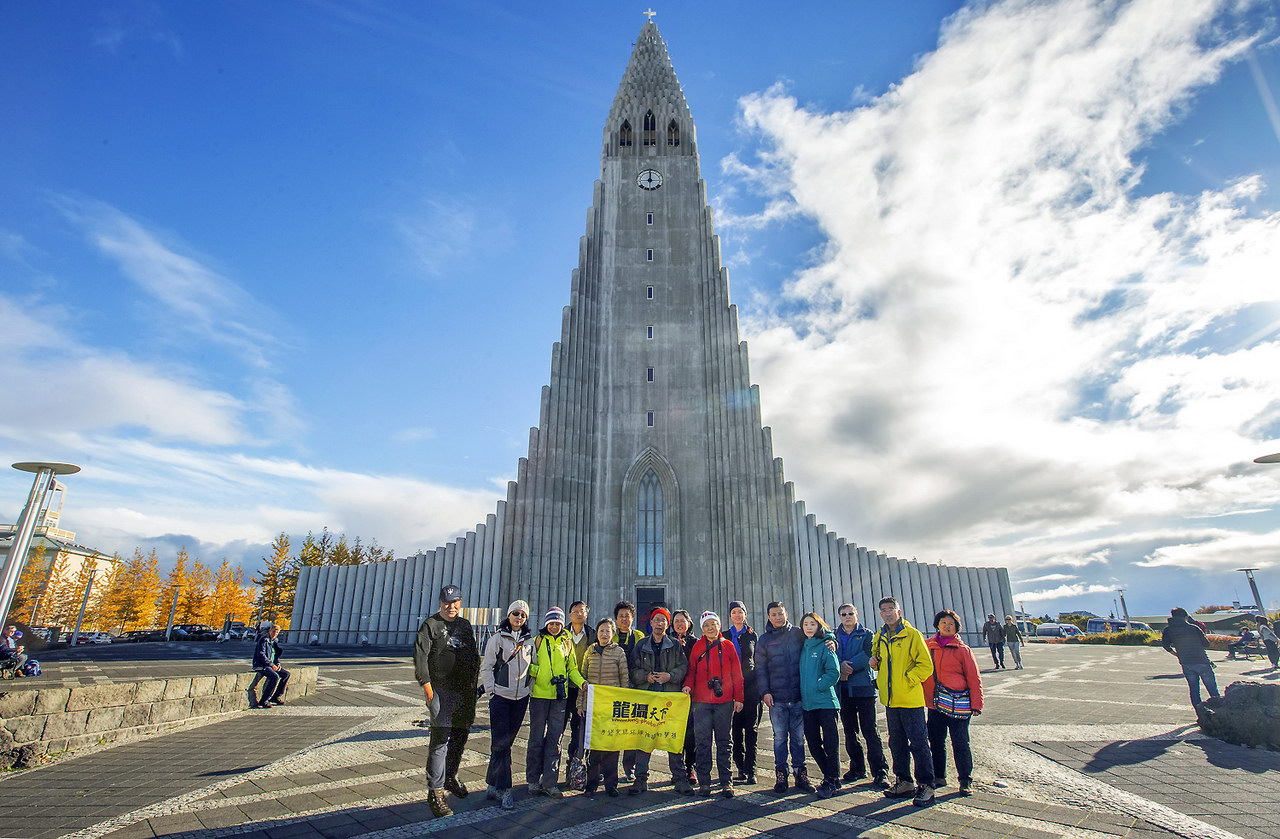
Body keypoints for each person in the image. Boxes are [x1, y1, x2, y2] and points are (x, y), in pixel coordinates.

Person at [414, 584, 481, 818]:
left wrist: (474, 687)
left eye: (455, 602)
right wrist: (427, 688)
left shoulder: (464, 626)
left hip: (464, 693)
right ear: (440, 602)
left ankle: (450, 776)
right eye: (447, 602)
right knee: (440, 741)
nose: (451, 606)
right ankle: (436, 792)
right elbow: (420, 657)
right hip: (441, 691)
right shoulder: (430, 625)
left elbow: (473, 656)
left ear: (460, 603)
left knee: (460, 736)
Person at [870, 596, 936, 807]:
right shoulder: (879, 636)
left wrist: (908, 680)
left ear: (899, 611)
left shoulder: (912, 635)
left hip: (910, 699)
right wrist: (874, 663)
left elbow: (926, 666)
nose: (888, 612)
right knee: (896, 742)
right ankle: (904, 780)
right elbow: (876, 660)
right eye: (884, 610)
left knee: (918, 743)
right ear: (880, 614)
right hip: (890, 700)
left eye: (891, 609)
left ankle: (926, 785)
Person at [628, 607, 693, 795]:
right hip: (648, 697)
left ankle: (680, 779)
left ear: (667, 624)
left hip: (669, 698)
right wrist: (645, 677)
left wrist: (670, 676)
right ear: (651, 623)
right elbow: (632, 669)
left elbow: (683, 667)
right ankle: (640, 780)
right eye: (656, 619)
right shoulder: (641, 645)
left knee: (673, 739)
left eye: (663, 620)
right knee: (644, 739)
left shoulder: (675, 645)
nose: (659, 623)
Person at [525, 606, 586, 797]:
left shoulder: (566, 643)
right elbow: (528, 667)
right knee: (535, 739)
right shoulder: (537, 641)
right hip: (538, 697)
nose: (554, 627)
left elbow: (572, 669)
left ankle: (550, 782)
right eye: (551, 623)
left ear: (561, 623)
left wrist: (582, 683)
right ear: (546, 624)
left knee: (555, 740)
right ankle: (533, 780)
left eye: (557, 623)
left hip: (559, 698)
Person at [683, 611, 744, 798]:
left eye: (713, 624)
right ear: (702, 628)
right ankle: (705, 783)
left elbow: (737, 674)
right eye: (707, 625)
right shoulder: (698, 646)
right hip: (701, 702)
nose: (710, 628)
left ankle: (727, 782)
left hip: (724, 701)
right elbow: (692, 670)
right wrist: (687, 685)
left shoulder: (728, 646)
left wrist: (739, 698)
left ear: (719, 625)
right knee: (703, 743)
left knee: (725, 742)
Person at [480, 600, 533, 810]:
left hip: (521, 699)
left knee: (504, 743)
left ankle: (491, 783)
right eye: (515, 614)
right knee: (502, 744)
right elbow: (487, 667)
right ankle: (505, 789)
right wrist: (492, 691)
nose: (519, 618)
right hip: (501, 697)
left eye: (522, 615)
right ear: (508, 616)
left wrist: (529, 688)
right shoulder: (497, 639)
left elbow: (533, 668)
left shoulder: (530, 642)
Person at [923, 610, 983, 796]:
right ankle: (939, 776)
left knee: (960, 742)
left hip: (959, 703)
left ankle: (965, 780)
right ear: (937, 625)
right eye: (943, 622)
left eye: (950, 623)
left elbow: (974, 677)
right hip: (936, 703)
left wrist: (977, 704)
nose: (946, 626)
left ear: (956, 627)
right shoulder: (927, 646)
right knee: (936, 741)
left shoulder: (962, 650)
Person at [755, 600, 813, 793]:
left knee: (798, 738)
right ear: (769, 617)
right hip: (776, 698)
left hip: (798, 695)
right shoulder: (764, 640)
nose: (778, 617)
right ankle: (781, 774)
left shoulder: (798, 633)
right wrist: (765, 692)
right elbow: (760, 669)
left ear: (786, 613)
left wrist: (832, 641)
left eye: (780, 613)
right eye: (774, 614)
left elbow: (819, 636)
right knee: (779, 738)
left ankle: (800, 773)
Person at [834, 604, 887, 786]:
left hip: (863, 688)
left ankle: (880, 771)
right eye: (844, 614)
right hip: (843, 689)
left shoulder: (867, 634)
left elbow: (868, 654)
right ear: (840, 617)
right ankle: (857, 768)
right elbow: (831, 655)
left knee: (870, 730)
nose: (847, 617)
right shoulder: (834, 636)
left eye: (850, 613)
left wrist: (848, 667)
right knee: (850, 731)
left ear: (856, 614)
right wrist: (839, 666)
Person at [578, 618, 629, 798]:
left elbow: (625, 680)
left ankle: (611, 784)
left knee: (612, 747)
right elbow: (583, 680)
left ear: (613, 633)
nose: (604, 634)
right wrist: (580, 704)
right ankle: (591, 784)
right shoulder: (589, 651)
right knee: (594, 747)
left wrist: (623, 704)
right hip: (593, 705)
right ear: (597, 632)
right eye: (602, 630)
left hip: (612, 706)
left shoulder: (619, 652)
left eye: (608, 631)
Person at [799, 612, 841, 798]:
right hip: (808, 705)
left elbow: (833, 672)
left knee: (831, 743)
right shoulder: (803, 646)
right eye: (805, 624)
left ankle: (832, 779)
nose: (808, 627)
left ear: (819, 626)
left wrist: (818, 686)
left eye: (812, 624)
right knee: (813, 742)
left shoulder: (825, 645)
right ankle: (829, 775)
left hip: (825, 703)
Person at [726, 600, 761, 785]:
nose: (738, 615)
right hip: (731, 689)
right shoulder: (724, 636)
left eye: (740, 612)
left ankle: (751, 769)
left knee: (751, 729)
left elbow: (758, 660)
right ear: (730, 616)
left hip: (751, 687)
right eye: (734, 612)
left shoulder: (752, 635)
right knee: (736, 729)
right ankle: (740, 767)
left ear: (745, 614)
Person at [612, 600, 645, 781]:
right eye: (621, 616)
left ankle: (629, 767)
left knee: (632, 729)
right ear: (616, 619)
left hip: (634, 687)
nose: (624, 619)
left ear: (633, 618)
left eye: (627, 616)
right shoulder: (611, 635)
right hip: (614, 688)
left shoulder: (639, 636)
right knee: (613, 727)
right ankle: (607, 767)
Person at [1161, 607, 1218, 709]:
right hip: (1202, 661)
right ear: (1185, 617)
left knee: (1194, 690)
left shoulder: (1168, 630)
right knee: (1212, 689)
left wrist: (1177, 654)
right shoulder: (1194, 628)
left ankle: (1200, 714)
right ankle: (1218, 711)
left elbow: (1166, 646)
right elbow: (1206, 644)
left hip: (1186, 662)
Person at [564, 600, 593, 790]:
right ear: (569, 614)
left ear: (587, 613)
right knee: (556, 731)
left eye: (582, 611)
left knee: (580, 730)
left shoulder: (592, 635)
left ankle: (576, 771)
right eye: (575, 611)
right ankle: (548, 773)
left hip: (584, 690)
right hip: (563, 691)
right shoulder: (561, 634)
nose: (579, 614)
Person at [671, 609, 699, 784]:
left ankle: (690, 767)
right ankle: (677, 768)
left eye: (682, 620)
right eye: (676, 621)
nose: (679, 624)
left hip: (691, 693)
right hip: (672, 693)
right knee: (674, 732)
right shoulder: (668, 642)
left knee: (691, 733)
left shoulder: (696, 643)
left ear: (689, 623)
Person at [251, 624, 290, 707]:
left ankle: (276, 696)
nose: (274, 634)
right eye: (273, 632)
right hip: (261, 664)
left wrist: (277, 663)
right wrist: (271, 665)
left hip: (270, 664)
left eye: (277, 633)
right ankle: (264, 700)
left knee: (286, 674)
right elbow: (261, 654)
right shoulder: (264, 640)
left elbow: (274, 655)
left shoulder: (274, 641)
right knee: (274, 676)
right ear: (270, 631)